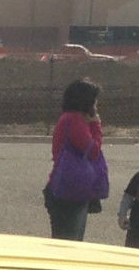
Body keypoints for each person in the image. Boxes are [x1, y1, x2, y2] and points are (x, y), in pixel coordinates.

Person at [44, 78, 104, 241]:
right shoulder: (75, 120)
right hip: (69, 191)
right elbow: (92, 151)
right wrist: (96, 125)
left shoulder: (68, 118)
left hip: (68, 187)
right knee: (69, 244)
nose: (96, 105)